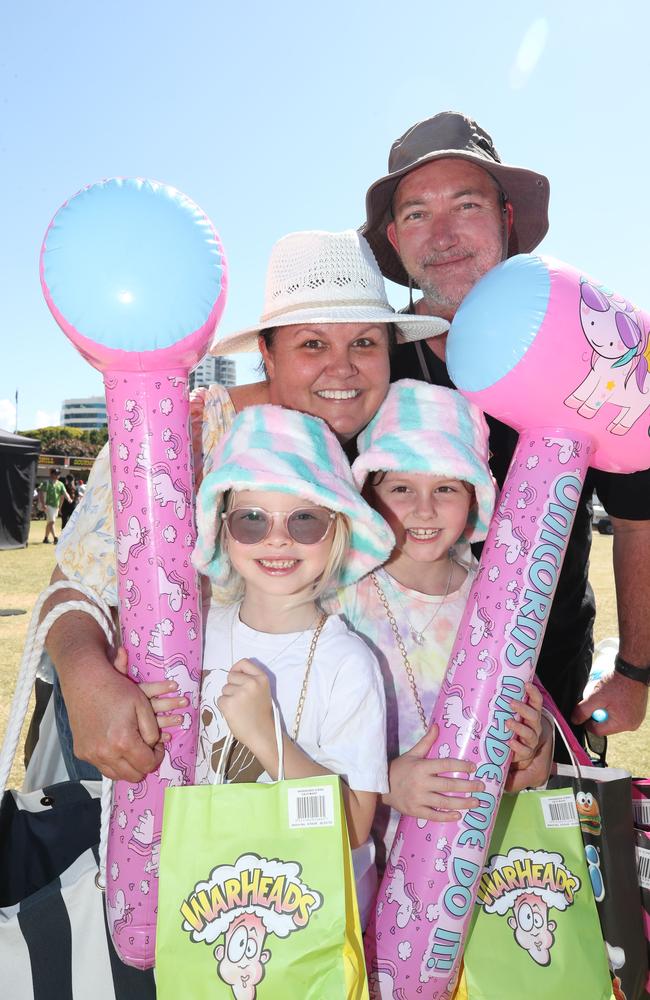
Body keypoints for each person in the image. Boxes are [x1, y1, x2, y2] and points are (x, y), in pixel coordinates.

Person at [38, 228, 445, 782]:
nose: (343, 368)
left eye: (365, 343)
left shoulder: (388, 452)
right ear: (266, 353)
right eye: (312, 343)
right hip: (154, 753)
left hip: (302, 767)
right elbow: (75, 585)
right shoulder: (178, 433)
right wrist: (86, 679)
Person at [361, 111, 650, 738]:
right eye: (416, 214)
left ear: (506, 216)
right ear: (394, 235)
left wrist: (634, 671)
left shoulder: (583, 337)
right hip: (380, 683)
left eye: (465, 205)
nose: (442, 236)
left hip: (544, 683)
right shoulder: (368, 353)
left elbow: (637, 514)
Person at [131, 403, 394, 926]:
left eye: (304, 520)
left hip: (303, 918)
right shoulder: (192, 635)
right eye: (252, 520)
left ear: (337, 531)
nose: (277, 539)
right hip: (201, 902)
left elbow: (356, 825)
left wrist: (267, 737)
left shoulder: (348, 665)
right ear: (223, 531)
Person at [332, 381, 552, 872]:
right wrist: (386, 782)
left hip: (471, 869)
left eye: (446, 488)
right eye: (402, 488)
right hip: (359, 863)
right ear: (368, 493)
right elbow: (298, 744)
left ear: (474, 498)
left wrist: (535, 748)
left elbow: (527, 735)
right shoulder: (337, 596)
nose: (424, 509)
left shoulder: (499, 602)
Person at [38, 466, 70, 543]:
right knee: (52, 521)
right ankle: (55, 537)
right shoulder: (46, 483)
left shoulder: (60, 484)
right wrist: (43, 504)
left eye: (58, 474)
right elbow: (41, 493)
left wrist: (69, 498)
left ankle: (46, 538)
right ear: (51, 474)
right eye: (55, 473)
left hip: (56, 506)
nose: (57, 475)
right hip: (48, 505)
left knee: (50, 522)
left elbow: (64, 493)